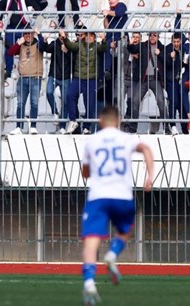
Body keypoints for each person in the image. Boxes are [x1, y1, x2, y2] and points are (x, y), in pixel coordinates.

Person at [79, 105, 155, 305]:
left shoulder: (92, 140)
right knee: (125, 229)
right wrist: (150, 176)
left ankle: (88, 282)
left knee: (91, 239)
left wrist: (90, 171)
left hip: (98, 196)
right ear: (119, 121)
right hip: (122, 195)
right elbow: (146, 149)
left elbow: (85, 172)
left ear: (100, 122)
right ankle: (112, 254)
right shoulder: (127, 138)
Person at [124, 32, 170, 134]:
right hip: (143, 79)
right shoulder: (143, 45)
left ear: (158, 37)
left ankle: (167, 128)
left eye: (155, 35)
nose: (152, 37)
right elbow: (132, 49)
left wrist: (160, 53)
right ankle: (133, 127)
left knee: (161, 102)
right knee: (135, 102)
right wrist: (130, 44)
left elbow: (167, 61)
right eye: (151, 35)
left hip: (155, 79)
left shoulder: (162, 47)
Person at [64, 31, 107, 134]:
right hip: (78, 77)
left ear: (94, 37)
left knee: (89, 103)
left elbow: (103, 48)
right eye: (87, 35)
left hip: (91, 79)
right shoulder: (79, 45)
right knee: (70, 96)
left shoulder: (97, 46)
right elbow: (70, 46)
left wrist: (104, 40)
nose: (89, 37)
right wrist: (64, 38)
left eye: (91, 36)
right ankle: (73, 120)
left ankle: (87, 127)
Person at [7, 28, 48, 135]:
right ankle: (19, 127)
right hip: (23, 77)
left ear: (33, 34)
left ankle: (33, 126)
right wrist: (17, 43)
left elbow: (44, 47)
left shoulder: (38, 44)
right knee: (20, 103)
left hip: (35, 77)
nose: (27, 35)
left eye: (29, 33)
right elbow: (10, 52)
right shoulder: (21, 45)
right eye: (25, 33)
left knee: (34, 103)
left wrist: (39, 34)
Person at [45, 29, 75, 133]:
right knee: (48, 92)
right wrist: (44, 40)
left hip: (65, 77)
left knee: (65, 102)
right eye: (61, 36)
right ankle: (55, 112)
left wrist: (67, 52)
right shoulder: (55, 43)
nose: (62, 38)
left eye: (65, 35)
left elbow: (73, 60)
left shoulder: (70, 45)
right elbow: (46, 48)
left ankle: (62, 126)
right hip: (53, 75)